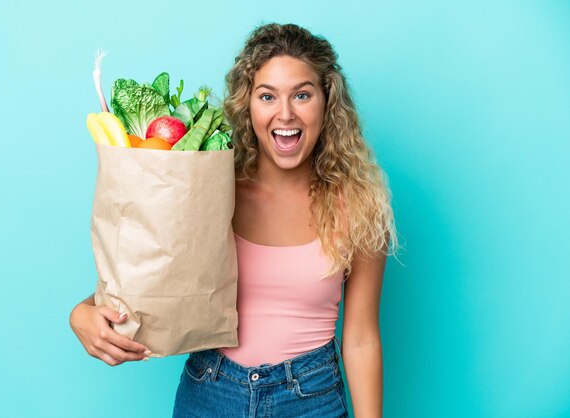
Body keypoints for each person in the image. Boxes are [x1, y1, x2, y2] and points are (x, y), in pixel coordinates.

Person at [70, 23, 398, 418]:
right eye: (267, 96)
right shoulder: (208, 190)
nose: (285, 113)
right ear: (248, 105)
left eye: (302, 94)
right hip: (210, 391)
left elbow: (361, 338)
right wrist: (83, 313)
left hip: (311, 398)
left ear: (327, 101)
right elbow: (146, 282)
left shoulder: (361, 205)